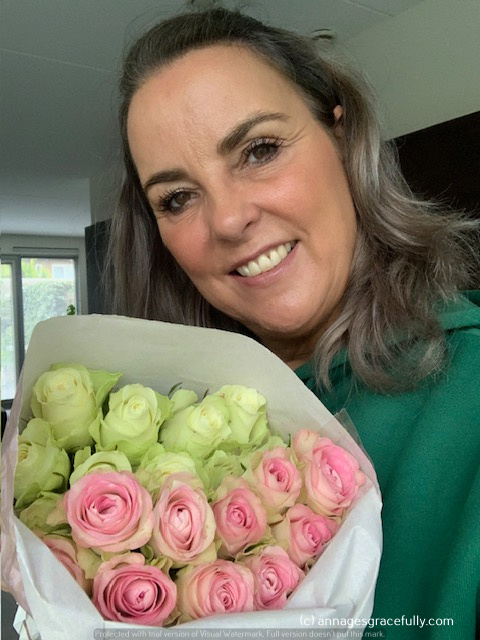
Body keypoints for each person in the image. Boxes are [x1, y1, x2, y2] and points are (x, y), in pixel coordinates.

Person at [107, 8, 480, 639]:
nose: (228, 220)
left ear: (341, 136)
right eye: (177, 198)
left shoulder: (467, 391)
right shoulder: (168, 436)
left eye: (259, 150)